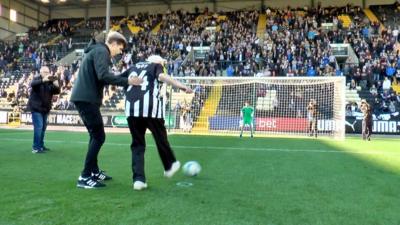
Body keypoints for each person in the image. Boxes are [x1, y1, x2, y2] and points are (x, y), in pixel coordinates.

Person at [70, 31, 143, 189]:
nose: (120, 52)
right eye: (120, 48)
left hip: (85, 97)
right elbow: (103, 75)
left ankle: (93, 171)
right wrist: (128, 81)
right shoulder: (102, 51)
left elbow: (102, 76)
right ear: (114, 43)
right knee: (99, 136)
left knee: (94, 136)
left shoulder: (96, 51)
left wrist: (125, 79)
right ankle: (84, 176)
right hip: (86, 98)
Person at [124, 55, 193, 190]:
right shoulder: (155, 66)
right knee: (160, 138)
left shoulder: (133, 67)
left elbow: (119, 80)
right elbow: (163, 77)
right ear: (158, 62)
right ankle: (170, 165)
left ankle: (138, 180)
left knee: (137, 145)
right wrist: (182, 86)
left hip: (131, 109)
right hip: (150, 108)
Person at [27, 65, 60, 153]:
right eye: (45, 72)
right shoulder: (36, 78)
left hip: (45, 109)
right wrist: (43, 80)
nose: (47, 74)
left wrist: (56, 84)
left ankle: (40, 145)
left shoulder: (49, 82)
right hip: (36, 108)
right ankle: (35, 147)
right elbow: (33, 84)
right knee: (39, 127)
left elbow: (56, 91)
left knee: (43, 128)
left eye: (48, 72)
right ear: (41, 72)